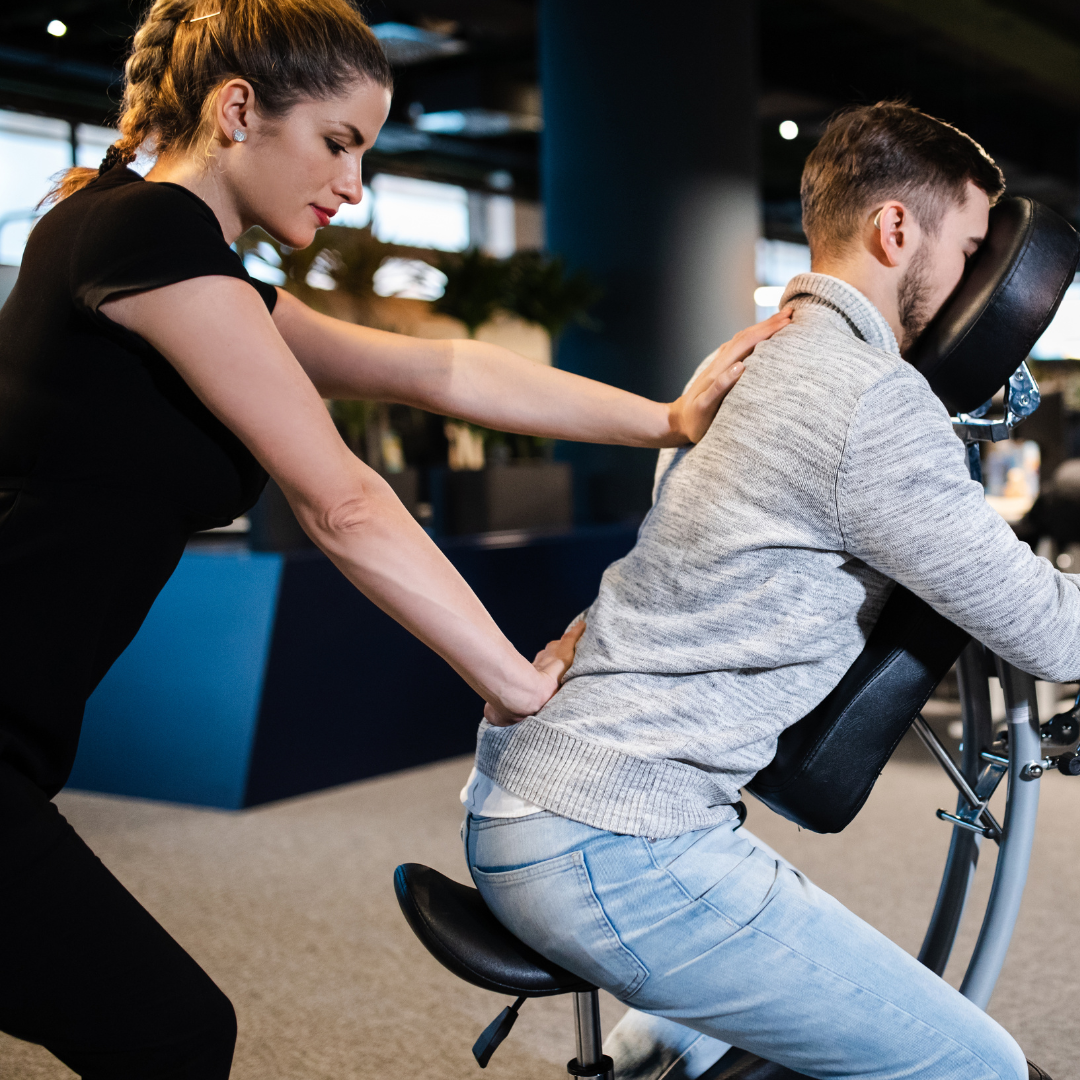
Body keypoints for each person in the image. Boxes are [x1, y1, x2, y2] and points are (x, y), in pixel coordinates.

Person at [0, 0, 790, 1076]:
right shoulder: (143, 234)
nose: (354, 184)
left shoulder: (174, 257)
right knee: (171, 1034)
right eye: (338, 141)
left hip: (24, 732)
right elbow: (344, 504)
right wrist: (514, 683)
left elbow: (436, 369)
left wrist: (667, 418)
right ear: (238, 111)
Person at [460, 102, 1072, 1080]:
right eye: (967, 250)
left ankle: (663, 1036)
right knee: (982, 1067)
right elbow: (1052, 632)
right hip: (615, 844)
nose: (973, 286)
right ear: (896, 229)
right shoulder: (870, 398)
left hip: (529, 799)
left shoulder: (747, 360)